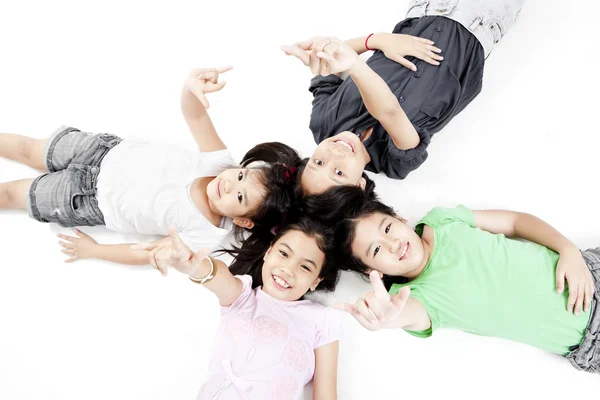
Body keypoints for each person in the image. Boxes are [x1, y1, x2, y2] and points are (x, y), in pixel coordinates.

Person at [0, 67, 302, 266]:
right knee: (28, 148)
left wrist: (95, 251)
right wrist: (190, 88)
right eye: (240, 176)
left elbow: (145, 253)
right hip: (99, 152)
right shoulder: (218, 163)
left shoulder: (204, 236)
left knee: (10, 196)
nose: (229, 184)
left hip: (85, 201)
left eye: (239, 197)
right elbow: (196, 118)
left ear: (244, 222)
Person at [332, 187, 599, 373]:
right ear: (370, 271)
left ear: (399, 218)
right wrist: (387, 318)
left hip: (589, 269)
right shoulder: (413, 297)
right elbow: (406, 315)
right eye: (376, 250)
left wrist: (568, 249)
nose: (393, 244)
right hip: (591, 340)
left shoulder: (441, 220)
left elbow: (516, 222)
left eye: (388, 228)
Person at [282, 0, 526, 193]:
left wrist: (375, 41)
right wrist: (355, 64)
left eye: (318, 163)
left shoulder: (323, 123)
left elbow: (332, 63)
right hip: (481, 18)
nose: (333, 155)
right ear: (360, 185)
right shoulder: (395, 162)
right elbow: (390, 112)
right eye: (338, 173)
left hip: (425, 9)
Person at [139, 215, 343, 399]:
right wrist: (193, 265)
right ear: (268, 252)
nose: (287, 270)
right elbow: (219, 275)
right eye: (283, 253)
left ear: (316, 281)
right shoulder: (242, 296)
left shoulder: (321, 319)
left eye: (305, 267)